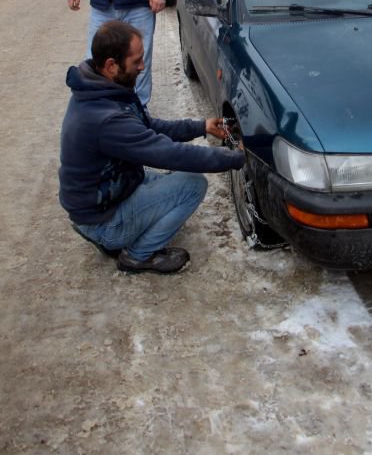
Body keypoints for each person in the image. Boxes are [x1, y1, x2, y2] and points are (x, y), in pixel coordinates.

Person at [59, 20, 245, 274]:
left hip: (104, 196)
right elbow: (168, 154)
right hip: (100, 217)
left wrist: (201, 126)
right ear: (111, 65)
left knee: (161, 180)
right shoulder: (105, 118)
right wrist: (235, 157)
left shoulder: (102, 88)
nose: (142, 66)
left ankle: (116, 236)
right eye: (136, 61)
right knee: (191, 185)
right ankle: (137, 255)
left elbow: (149, 127)